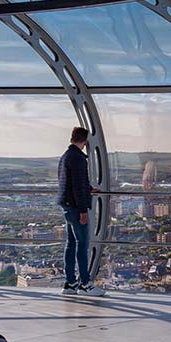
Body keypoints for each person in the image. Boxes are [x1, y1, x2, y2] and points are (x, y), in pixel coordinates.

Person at [56, 127, 104, 297]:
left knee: (71, 244)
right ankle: (85, 283)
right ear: (85, 141)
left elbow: (71, 182)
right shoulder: (78, 158)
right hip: (76, 207)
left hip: (67, 206)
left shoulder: (65, 157)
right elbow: (77, 186)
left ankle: (70, 282)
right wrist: (83, 211)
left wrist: (89, 188)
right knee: (82, 245)